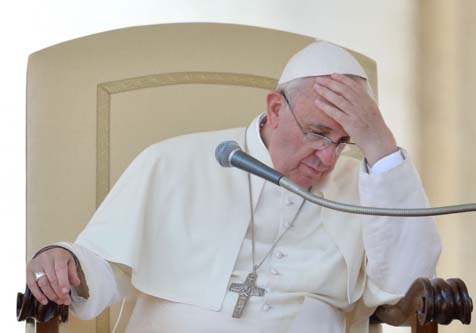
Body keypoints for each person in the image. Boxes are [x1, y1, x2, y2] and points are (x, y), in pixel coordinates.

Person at [26, 41, 441, 332]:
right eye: (317, 133)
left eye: (344, 141)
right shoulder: (172, 161)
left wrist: (380, 145)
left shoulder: (365, 189)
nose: (329, 158)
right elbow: (103, 264)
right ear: (276, 108)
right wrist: (64, 259)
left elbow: (407, 283)